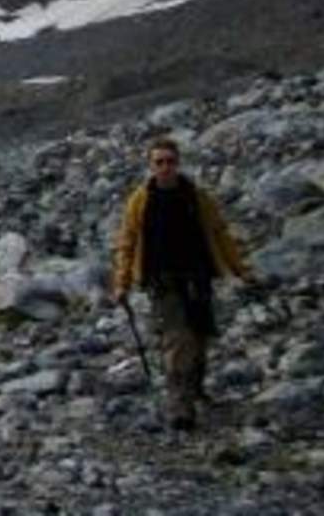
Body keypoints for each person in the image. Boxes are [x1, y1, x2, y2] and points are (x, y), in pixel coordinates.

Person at [112, 137, 256, 430]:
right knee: (178, 341)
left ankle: (196, 390)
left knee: (200, 336)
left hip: (198, 277)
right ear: (150, 166)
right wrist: (121, 283)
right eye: (159, 162)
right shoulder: (140, 201)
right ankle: (180, 407)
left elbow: (219, 233)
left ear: (178, 163)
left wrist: (240, 270)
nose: (165, 167)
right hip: (162, 282)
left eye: (170, 161)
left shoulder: (196, 196)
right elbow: (126, 243)